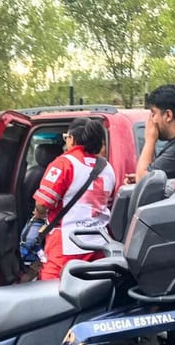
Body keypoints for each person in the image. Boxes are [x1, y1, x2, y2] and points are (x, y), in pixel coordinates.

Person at [29, 118, 117, 281]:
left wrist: (39, 215)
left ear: (71, 138)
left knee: (51, 292)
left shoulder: (64, 163)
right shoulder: (107, 167)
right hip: (99, 243)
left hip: (66, 244)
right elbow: (109, 203)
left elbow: (42, 203)